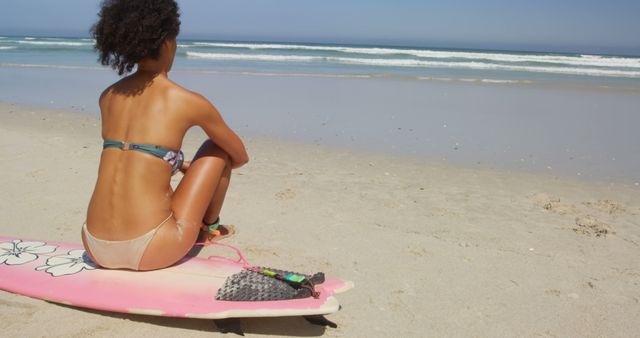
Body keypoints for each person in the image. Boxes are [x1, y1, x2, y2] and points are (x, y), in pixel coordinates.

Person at [81, 0, 249, 271]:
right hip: (152, 247)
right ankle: (210, 228)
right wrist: (194, 170)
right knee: (216, 148)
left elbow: (130, 155)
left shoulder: (108, 97)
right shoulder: (186, 100)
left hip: (94, 244)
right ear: (169, 42)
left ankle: (200, 219)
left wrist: (170, 162)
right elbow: (239, 156)